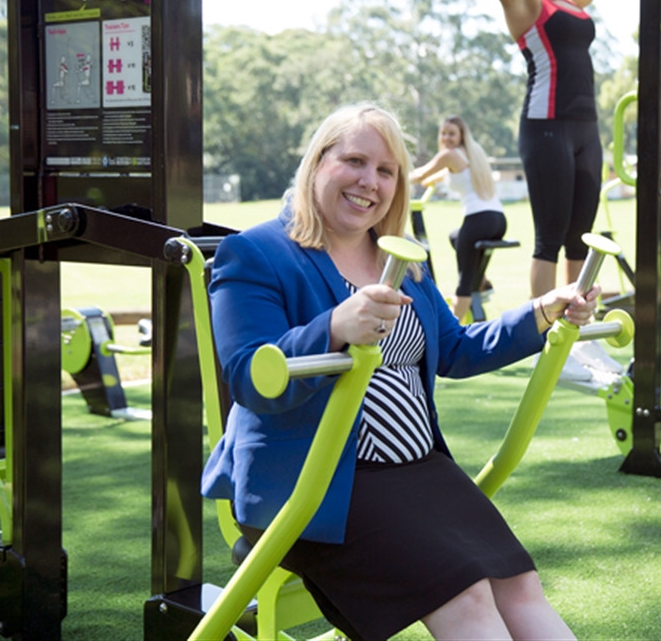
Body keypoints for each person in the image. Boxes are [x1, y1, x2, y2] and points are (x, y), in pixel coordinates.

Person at [202, 103, 599, 640]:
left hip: (421, 472)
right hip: (320, 486)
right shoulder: (255, 253)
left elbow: (457, 349)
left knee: (518, 584)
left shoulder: (402, 262)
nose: (370, 182)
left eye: (386, 171)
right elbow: (249, 376)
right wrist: (334, 327)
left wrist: (543, 310)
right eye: (355, 161)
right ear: (318, 162)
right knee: (466, 599)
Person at [481, 0, 627, 299]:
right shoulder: (522, 0)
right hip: (546, 127)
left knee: (581, 236)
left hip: (586, 129)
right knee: (550, 237)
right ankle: (540, 335)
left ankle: (573, 335)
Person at [410, 116, 508, 322]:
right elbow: (434, 178)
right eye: (443, 133)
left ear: (461, 135)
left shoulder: (449, 155)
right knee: (455, 236)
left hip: (478, 220)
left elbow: (419, 175)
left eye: (451, 134)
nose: (446, 138)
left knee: (464, 281)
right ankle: (481, 280)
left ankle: (454, 330)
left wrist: (393, 175)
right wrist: (430, 183)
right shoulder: (473, 154)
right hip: (498, 220)